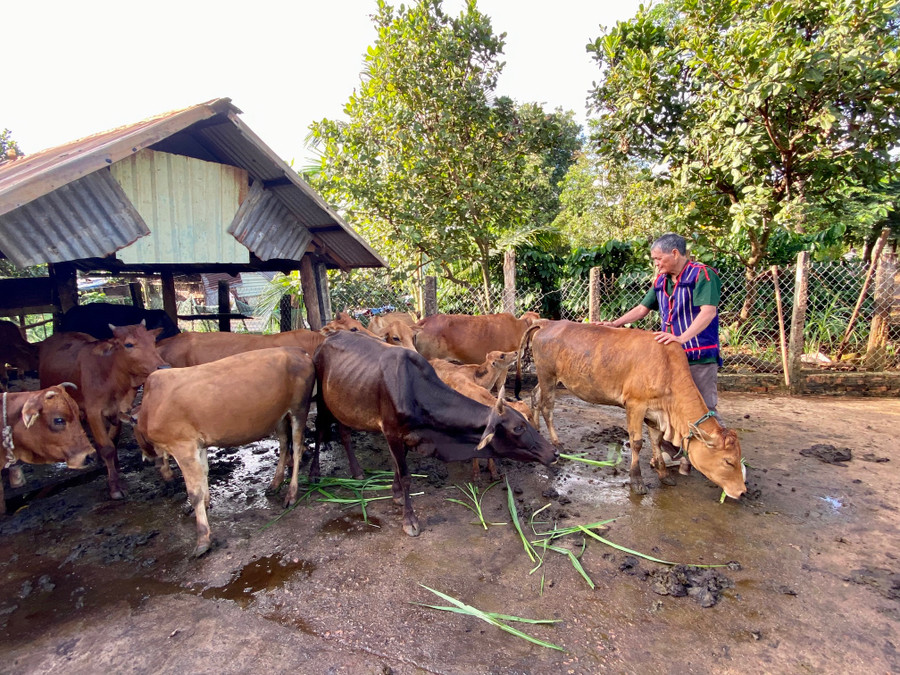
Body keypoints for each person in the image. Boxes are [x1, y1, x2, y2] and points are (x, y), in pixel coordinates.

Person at [598, 232, 722, 473]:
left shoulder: (703, 275)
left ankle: (721, 458)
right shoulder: (661, 281)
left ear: (675, 253)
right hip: (667, 359)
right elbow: (642, 309)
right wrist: (615, 324)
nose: (656, 263)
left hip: (698, 355)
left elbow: (708, 312)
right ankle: (677, 454)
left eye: (658, 258)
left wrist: (681, 338)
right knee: (667, 407)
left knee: (702, 407)